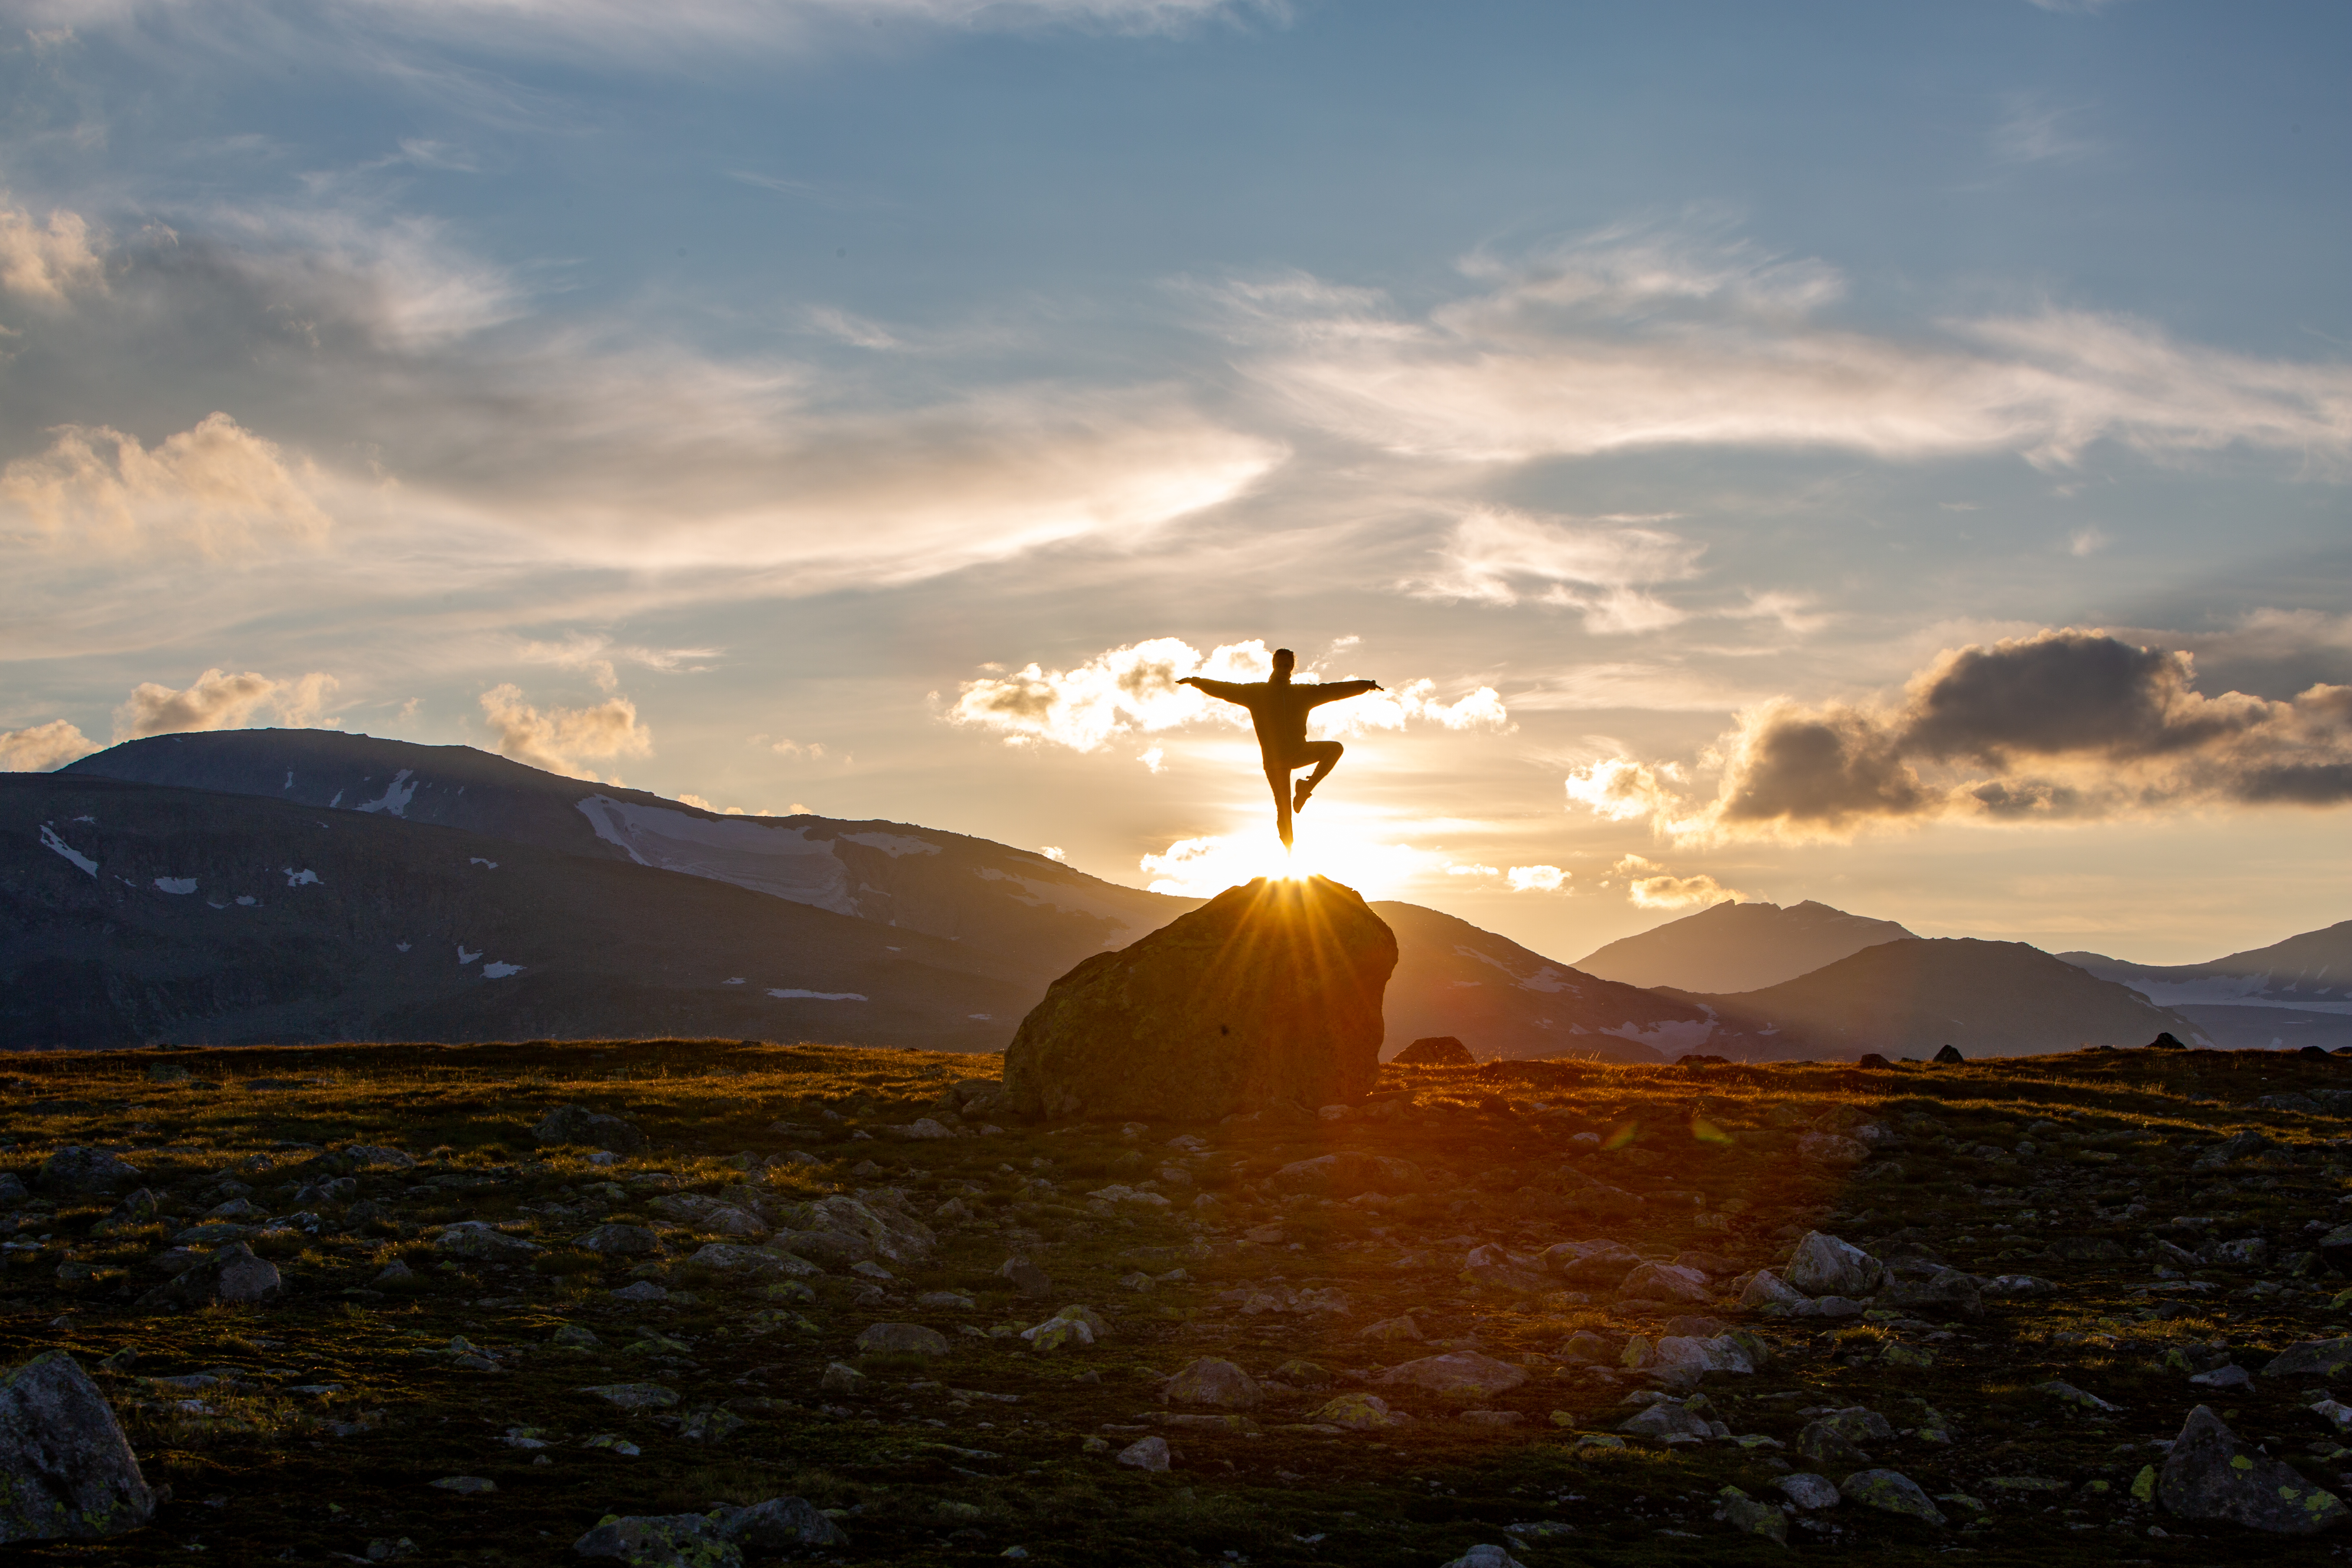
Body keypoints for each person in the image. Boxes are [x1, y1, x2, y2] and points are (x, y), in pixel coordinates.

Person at [1180, 648, 1383, 848]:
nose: (1284, 668)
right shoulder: (1256, 693)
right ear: (1274, 665)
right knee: (1284, 812)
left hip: (1298, 752)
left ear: (1292, 667)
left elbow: (1334, 691)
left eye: (1288, 665)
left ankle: (1305, 788)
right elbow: (1225, 689)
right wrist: (1196, 682)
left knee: (1335, 748)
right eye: (1280, 664)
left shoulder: (1303, 694)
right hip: (1275, 762)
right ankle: (1289, 855)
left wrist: (1366, 685)